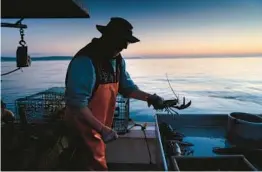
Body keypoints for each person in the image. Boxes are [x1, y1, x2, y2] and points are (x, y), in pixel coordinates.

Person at [64, 17, 165, 170]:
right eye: (122, 41)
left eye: (127, 42)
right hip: (80, 131)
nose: (125, 46)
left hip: (98, 129)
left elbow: (128, 88)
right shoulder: (85, 61)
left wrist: (150, 97)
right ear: (107, 36)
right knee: (87, 165)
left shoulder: (117, 60)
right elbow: (77, 105)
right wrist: (103, 129)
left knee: (97, 163)